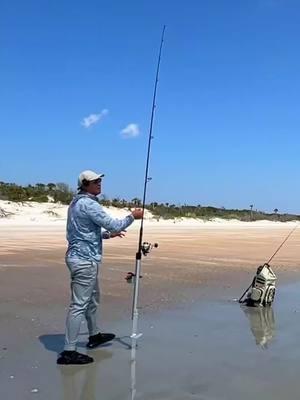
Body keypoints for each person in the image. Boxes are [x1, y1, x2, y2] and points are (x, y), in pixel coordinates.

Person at [57, 170, 143, 365]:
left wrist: (106, 236)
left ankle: (94, 335)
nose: (99, 183)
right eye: (94, 181)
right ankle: (68, 352)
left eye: (99, 180)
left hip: (83, 258)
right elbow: (113, 224)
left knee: (93, 299)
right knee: (79, 305)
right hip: (84, 261)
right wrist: (132, 216)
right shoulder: (87, 204)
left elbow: (83, 232)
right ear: (84, 184)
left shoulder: (76, 203)